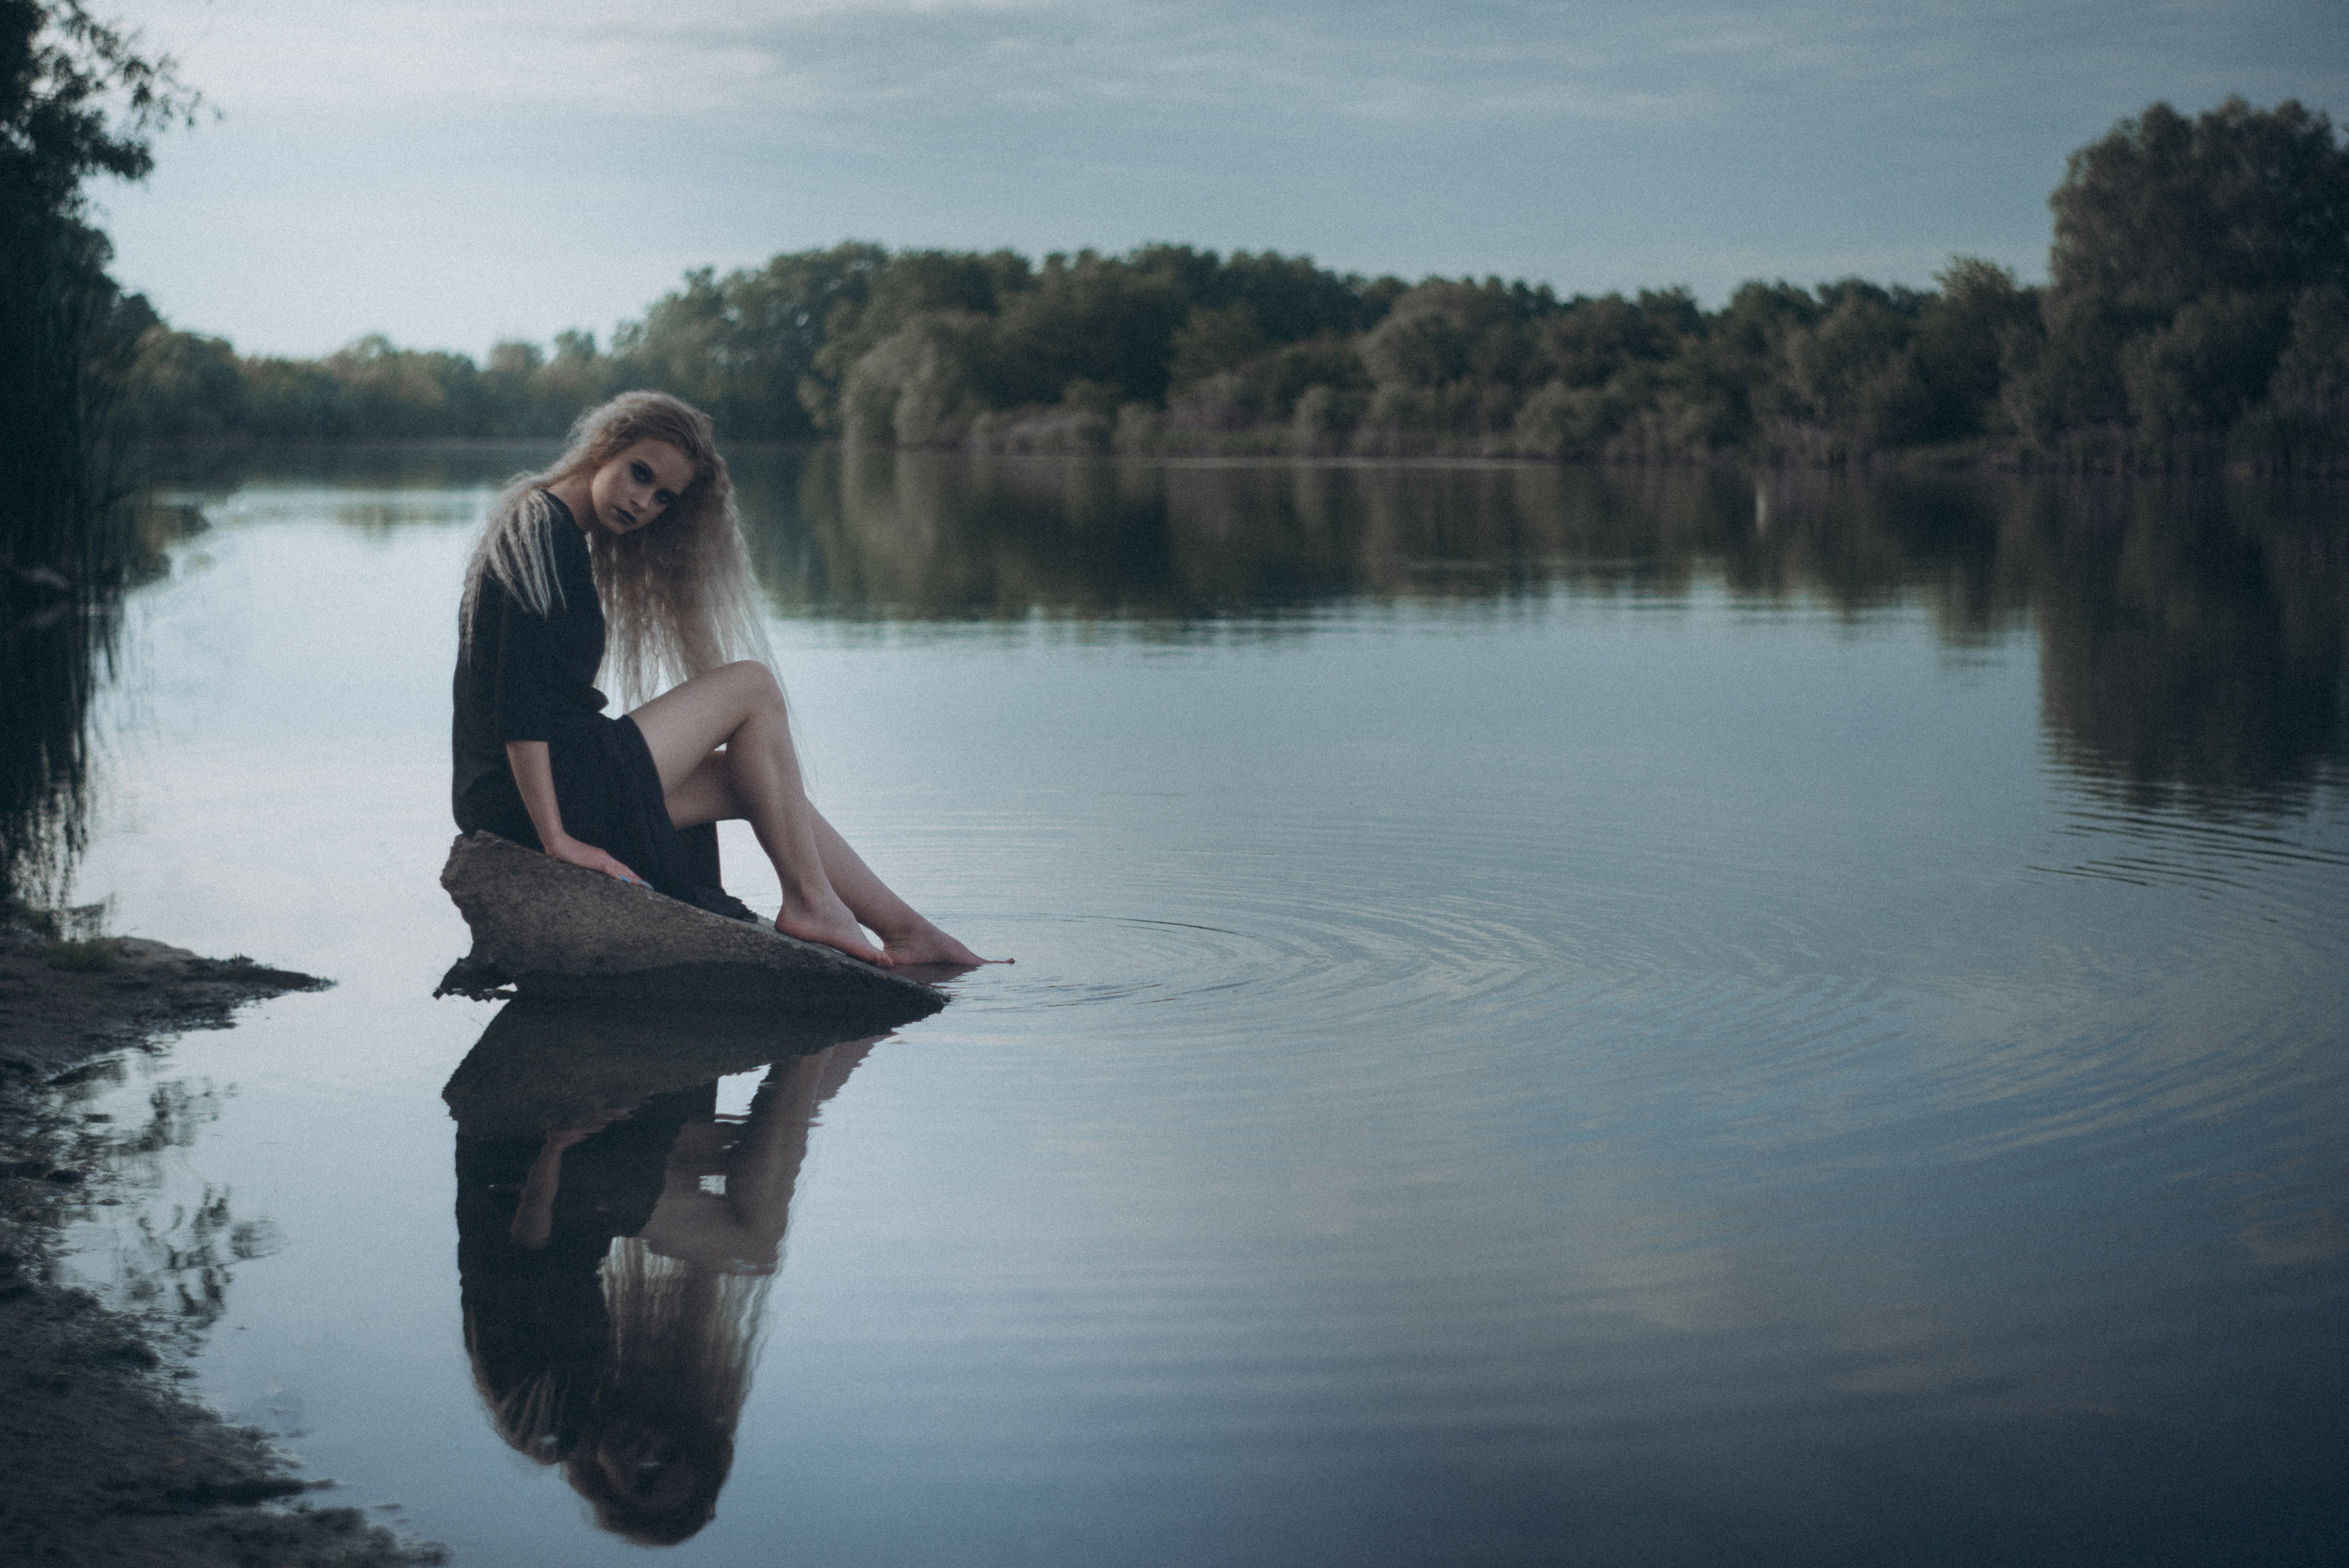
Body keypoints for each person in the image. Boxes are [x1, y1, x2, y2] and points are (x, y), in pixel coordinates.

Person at [452, 392, 1001, 968]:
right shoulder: (541, 530)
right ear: (605, 448)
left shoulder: (555, 529)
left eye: (663, 497)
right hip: (529, 799)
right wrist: (556, 841)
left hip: (539, 788)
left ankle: (906, 929)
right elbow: (520, 707)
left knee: (746, 778)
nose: (643, 502)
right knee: (752, 687)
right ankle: (813, 902)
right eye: (640, 474)